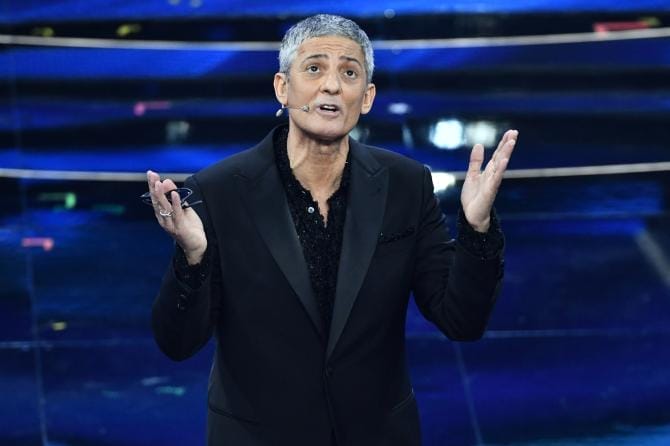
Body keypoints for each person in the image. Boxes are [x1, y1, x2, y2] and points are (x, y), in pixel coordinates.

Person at [147, 14, 516, 446]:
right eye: (314, 68)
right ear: (282, 88)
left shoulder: (406, 185)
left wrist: (476, 228)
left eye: (349, 73)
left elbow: (461, 321)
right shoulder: (218, 191)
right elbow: (177, 343)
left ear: (367, 97)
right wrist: (193, 258)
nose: (332, 86)